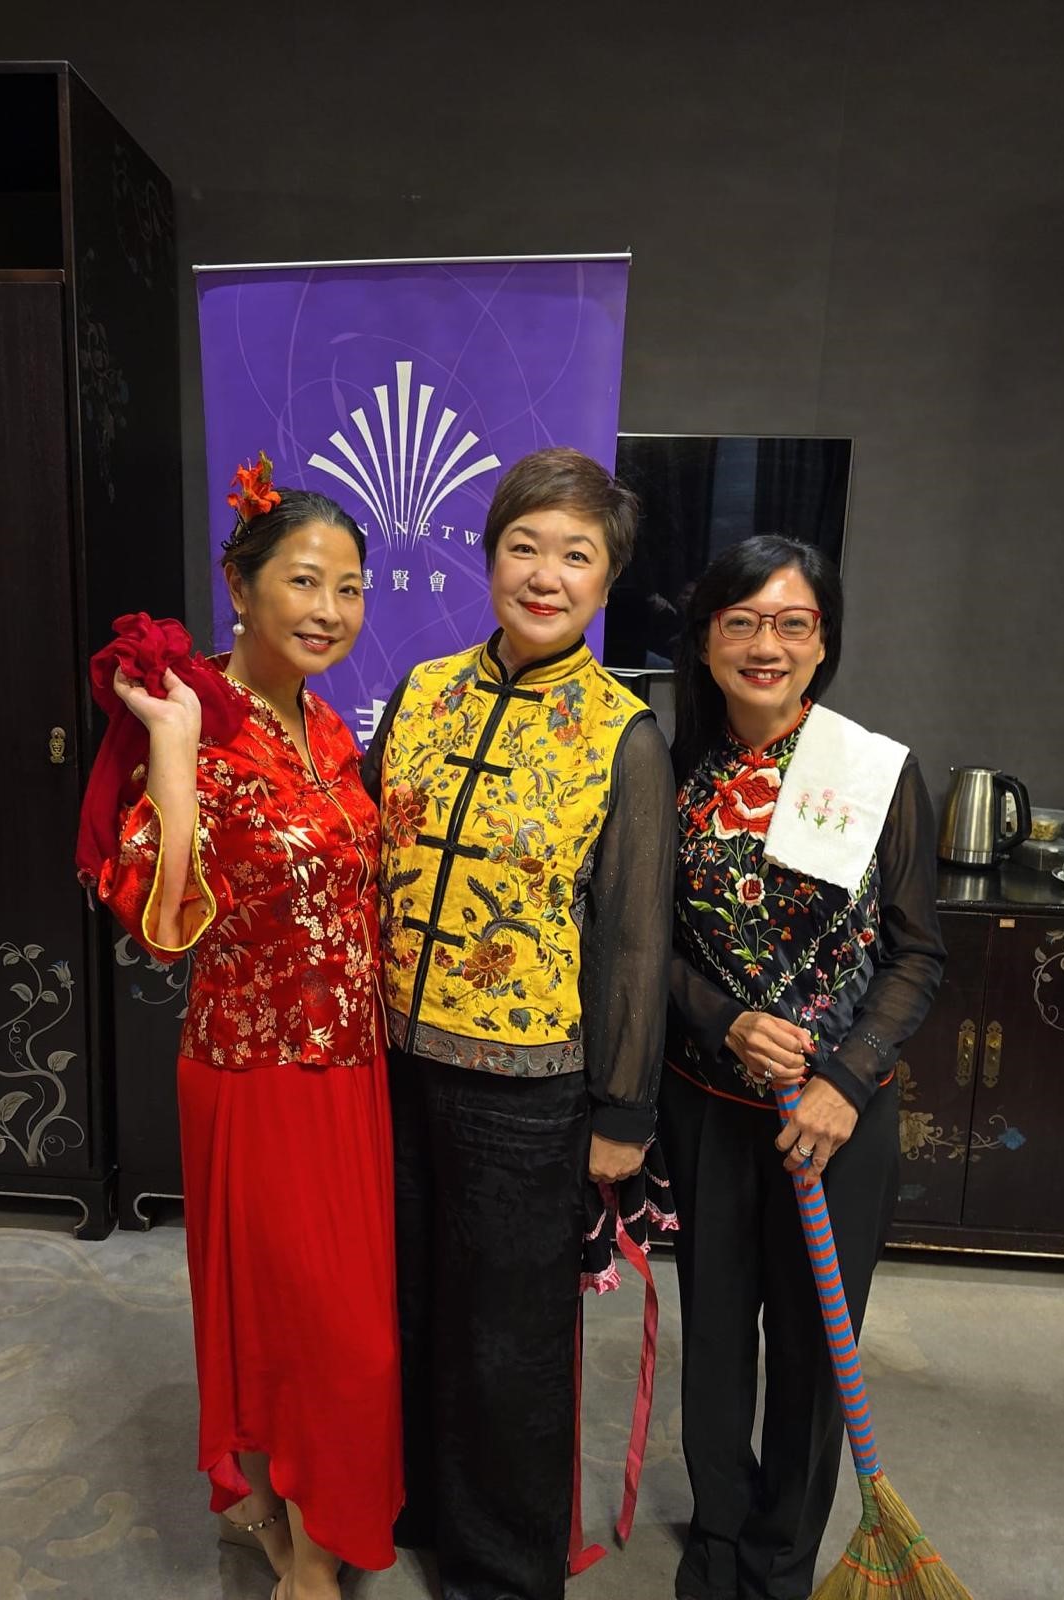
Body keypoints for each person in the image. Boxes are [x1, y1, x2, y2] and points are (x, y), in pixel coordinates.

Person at [361, 446, 677, 1600]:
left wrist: (623, 1112)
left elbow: (634, 940)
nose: (546, 574)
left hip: (528, 1090)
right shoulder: (423, 691)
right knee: (408, 1305)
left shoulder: (622, 734)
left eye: (575, 555)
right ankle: (414, 1506)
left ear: (606, 579)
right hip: (391, 1065)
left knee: (507, 1340)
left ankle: (501, 1569)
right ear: (489, 555)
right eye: (525, 546)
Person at [89, 455, 402, 1600]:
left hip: (353, 1071)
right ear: (240, 584)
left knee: (330, 1323)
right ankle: (306, 1555)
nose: (330, 609)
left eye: (350, 587)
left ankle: (276, 1504)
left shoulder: (325, 728)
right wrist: (173, 753)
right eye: (305, 581)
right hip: (256, 1072)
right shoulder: (195, 721)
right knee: (318, 1327)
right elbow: (163, 923)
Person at [661, 534, 945, 1600]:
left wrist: (846, 1079)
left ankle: (780, 1562)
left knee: (816, 1353)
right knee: (716, 1338)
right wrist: (724, 1019)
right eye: (740, 622)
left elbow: (917, 954)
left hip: (838, 1119)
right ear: (707, 641)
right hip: (710, 1105)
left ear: (823, 643)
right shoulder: (674, 772)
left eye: (792, 623)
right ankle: (718, 1541)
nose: (765, 645)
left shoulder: (877, 772)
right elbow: (647, 947)